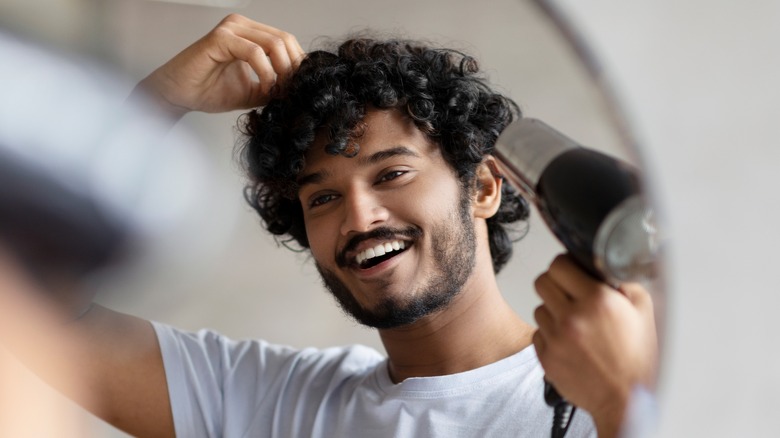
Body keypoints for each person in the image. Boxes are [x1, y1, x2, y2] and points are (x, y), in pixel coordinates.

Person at [0, 14, 658, 438]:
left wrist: (625, 405)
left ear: (485, 186)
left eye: (391, 174)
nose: (359, 217)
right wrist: (151, 109)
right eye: (321, 199)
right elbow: (24, 305)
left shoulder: (618, 380)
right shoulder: (276, 404)